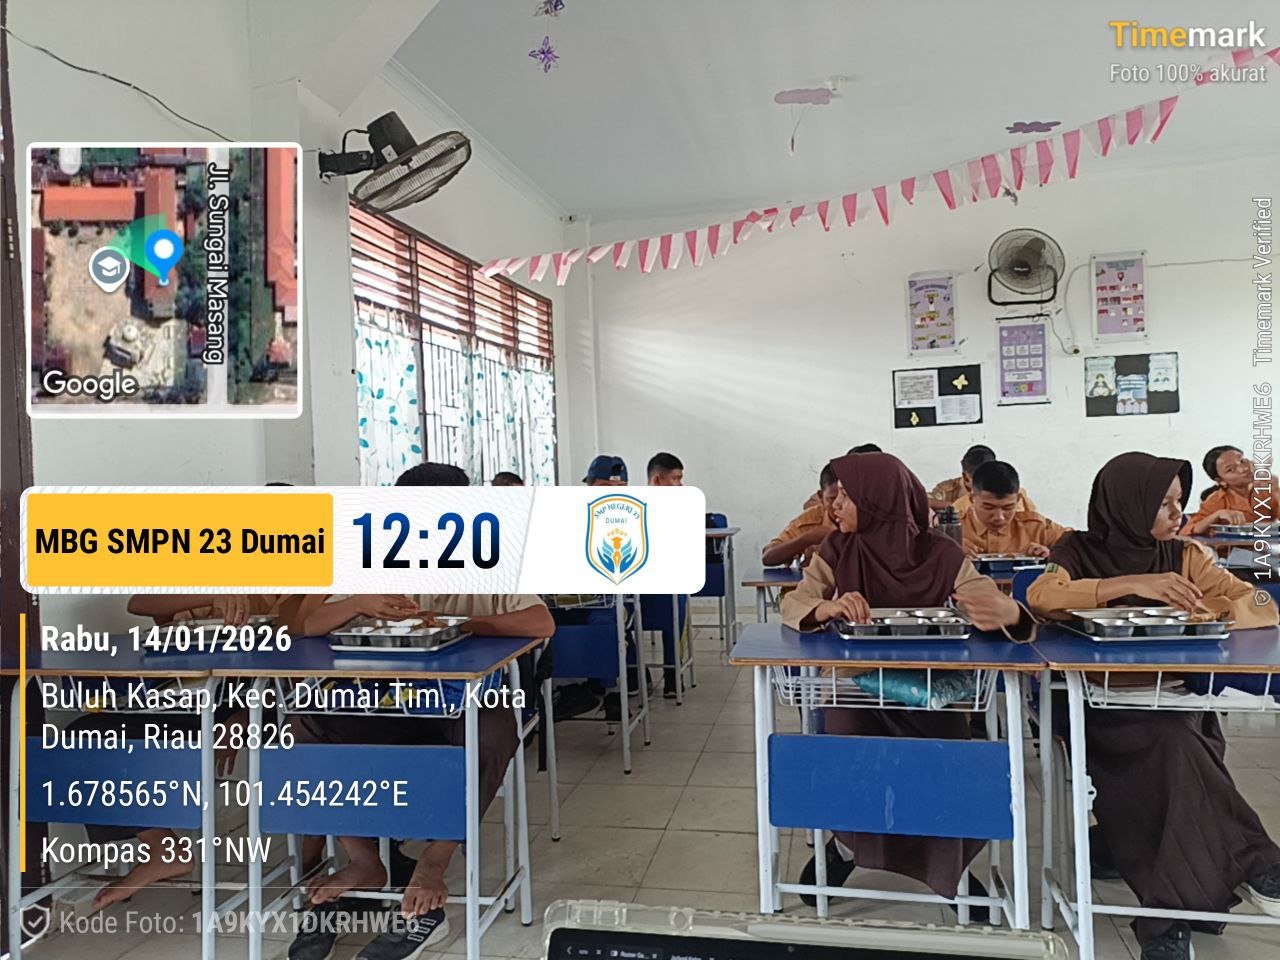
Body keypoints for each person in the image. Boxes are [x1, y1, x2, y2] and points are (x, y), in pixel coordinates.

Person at [286, 461, 555, 960]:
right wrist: (357, 602)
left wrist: (462, 625)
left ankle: (433, 862)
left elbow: (541, 623)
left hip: (460, 702)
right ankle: (364, 861)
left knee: (490, 728)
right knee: (306, 722)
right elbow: (309, 626)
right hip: (384, 702)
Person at [1027, 452, 1280, 960]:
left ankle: (1166, 922)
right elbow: (1042, 596)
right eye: (1162, 503)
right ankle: (1254, 860)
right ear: (1126, 503)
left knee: (1175, 752)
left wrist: (1205, 611)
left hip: (1173, 699)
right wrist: (1129, 586)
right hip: (1098, 706)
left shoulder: (1185, 556)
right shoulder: (1077, 549)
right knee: (1176, 749)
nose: (1177, 513)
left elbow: (1262, 605)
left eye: (1179, 501)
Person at [781, 452, 1034, 912]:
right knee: (857, 758)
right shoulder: (837, 549)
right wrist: (827, 607)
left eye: (847, 497)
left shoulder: (941, 553)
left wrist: (1009, 611)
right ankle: (849, 845)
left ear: (878, 502)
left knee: (940, 764)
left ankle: (947, 871)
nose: (835, 506)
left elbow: (983, 598)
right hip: (854, 687)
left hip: (931, 688)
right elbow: (795, 602)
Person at [72, 592, 290, 910]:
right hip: (183, 697)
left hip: (252, 701)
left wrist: (243, 716)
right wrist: (215, 592)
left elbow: (298, 657)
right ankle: (163, 848)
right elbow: (140, 603)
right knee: (86, 734)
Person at [961, 460, 1069, 558]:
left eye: (1008, 507)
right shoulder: (954, 530)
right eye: (988, 507)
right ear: (972, 498)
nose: (999, 517)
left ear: (1018, 499)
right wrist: (952, 551)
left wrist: (1053, 555)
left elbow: (1075, 544)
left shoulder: (1036, 527)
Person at [1184, 444, 1279, 534]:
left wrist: (1276, 491)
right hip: (1233, 545)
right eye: (1230, 469)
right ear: (1221, 481)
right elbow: (1188, 530)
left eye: (1242, 461)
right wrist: (1218, 514)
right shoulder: (1218, 500)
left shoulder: (1266, 491)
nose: (1244, 469)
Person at [763, 462, 837, 567]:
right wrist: (808, 539)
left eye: (846, 496)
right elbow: (768, 557)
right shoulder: (812, 518)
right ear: (821, 496)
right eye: (832, 499)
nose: (838, 504)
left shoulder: (857, 520)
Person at [928, 444, 995, 511]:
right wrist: (956, 506)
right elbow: (925, 501)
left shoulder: (999, 488)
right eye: (980, 482)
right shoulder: (947, 490)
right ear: (966, 477)